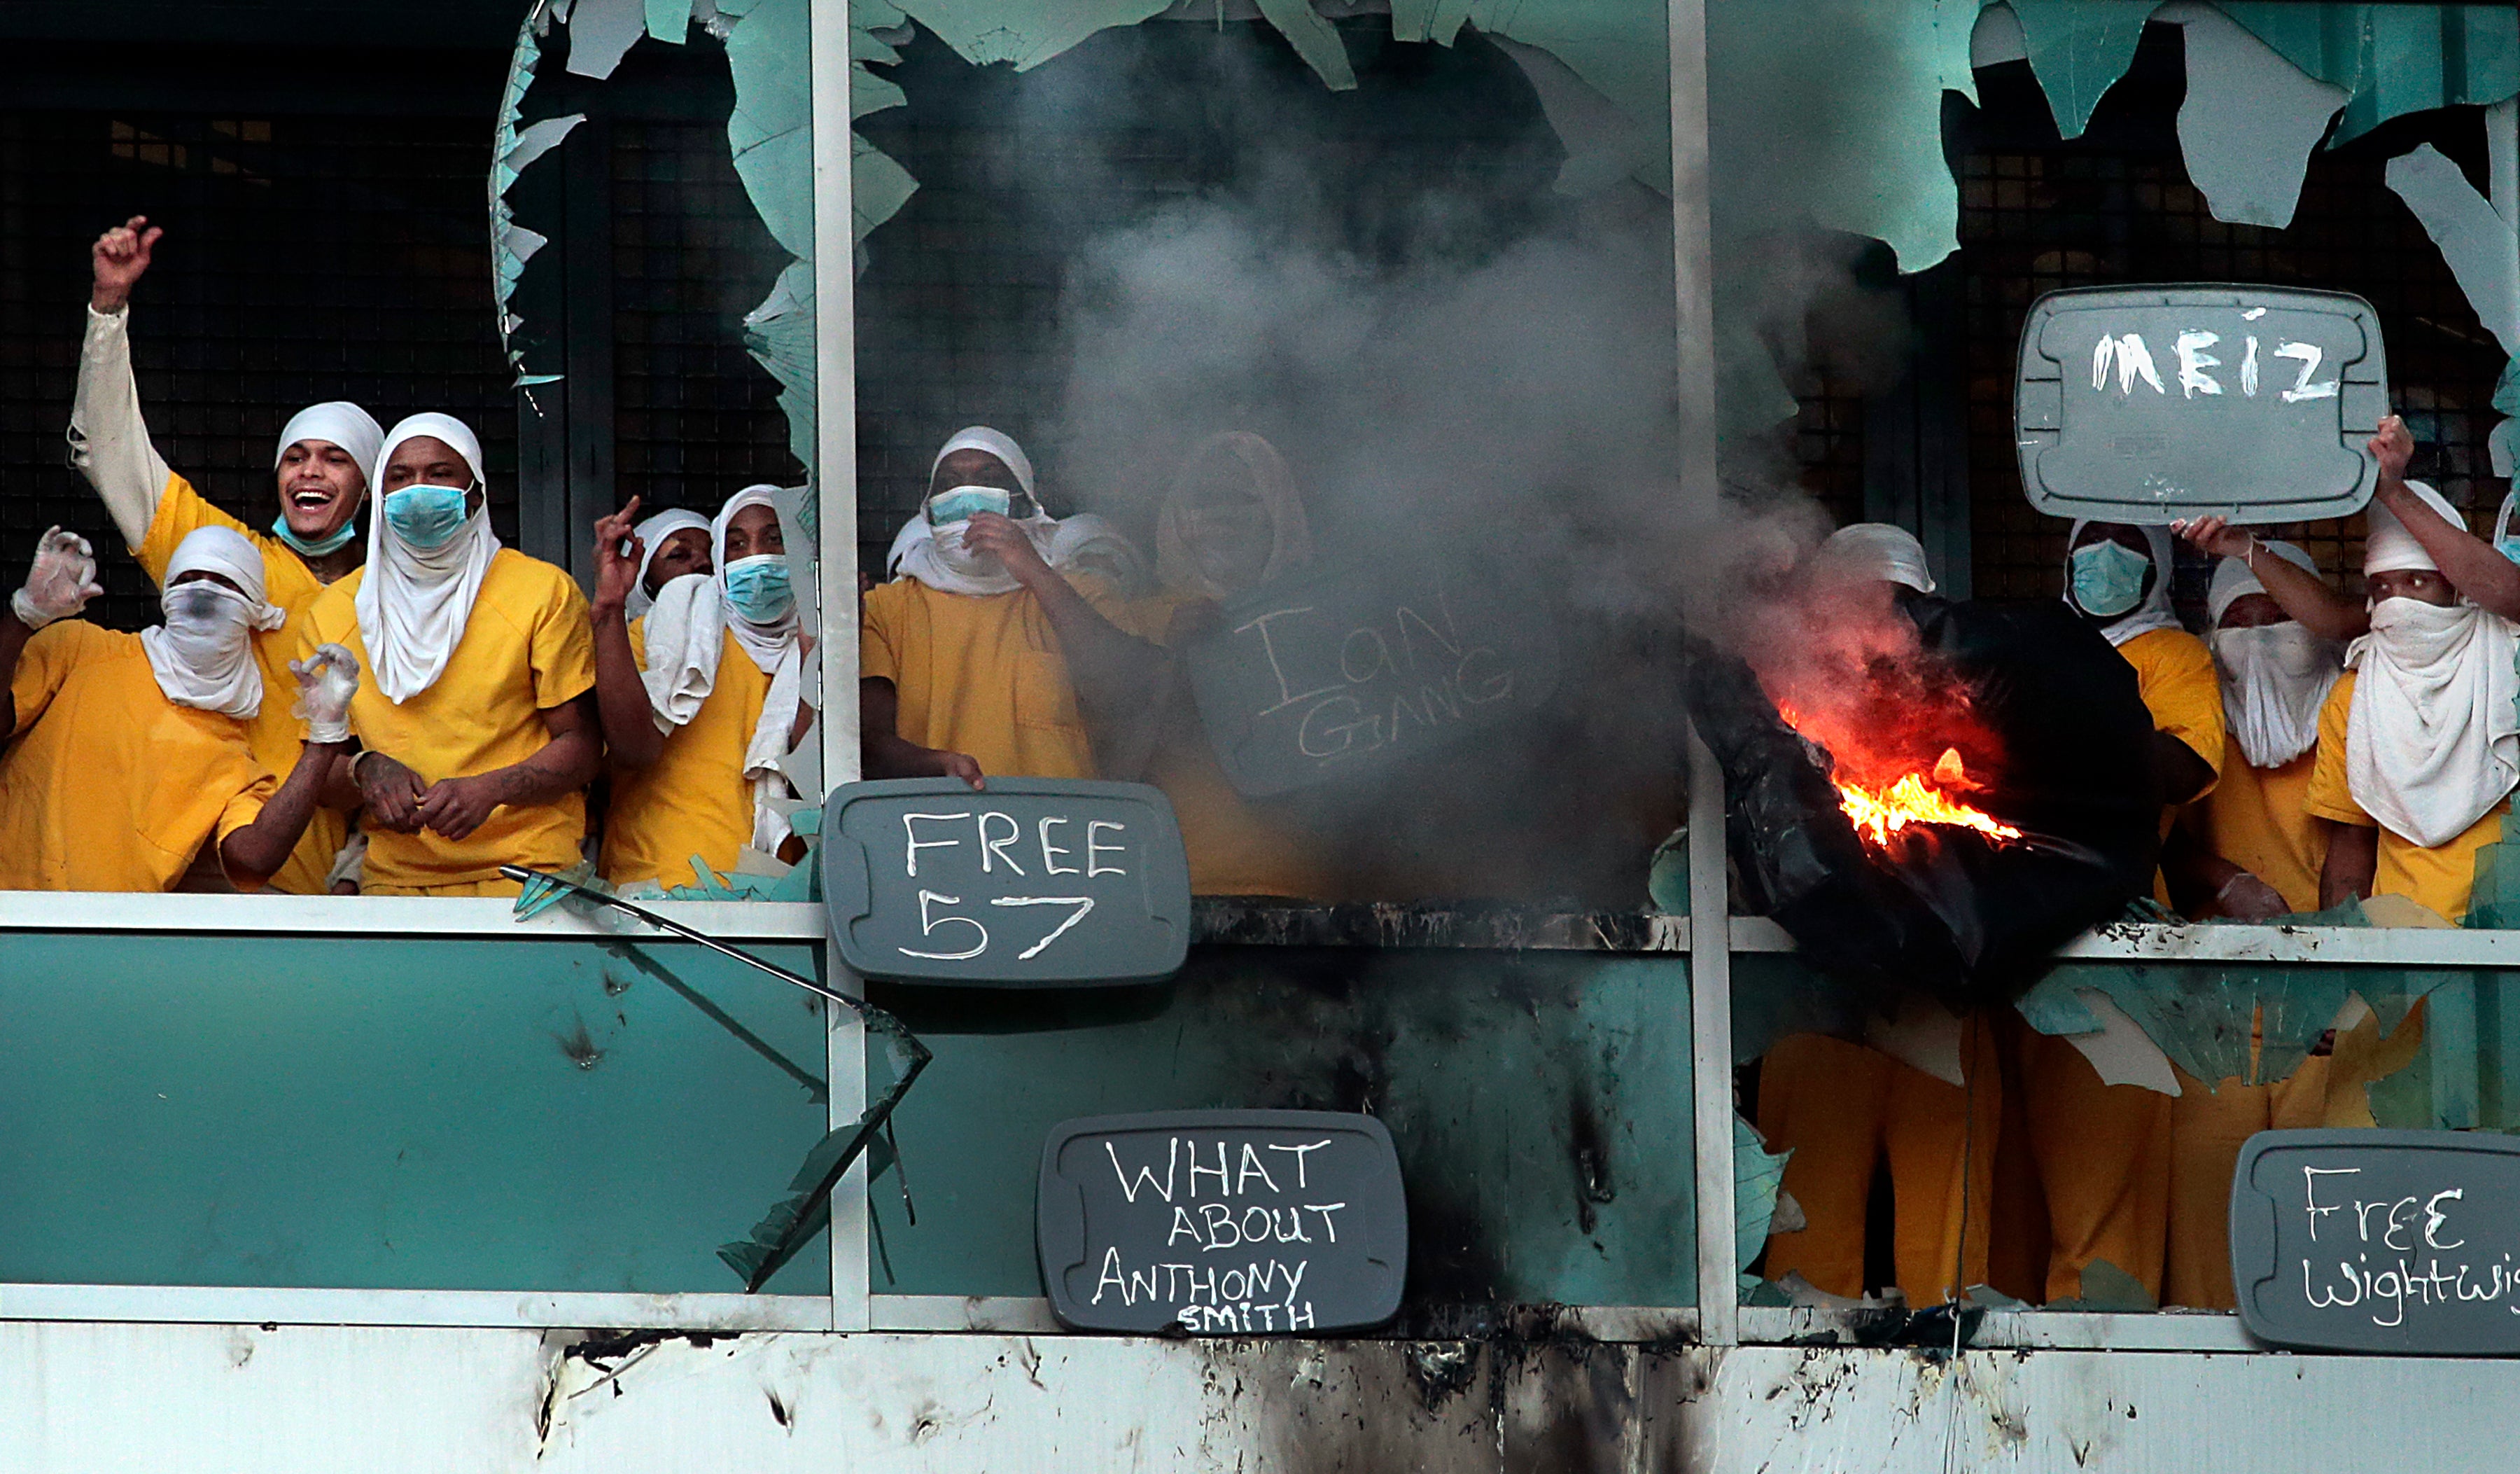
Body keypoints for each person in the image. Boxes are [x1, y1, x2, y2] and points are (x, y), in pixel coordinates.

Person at [70, 214, 375, 895]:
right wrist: (109, 309)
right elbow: (112, 452)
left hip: (361, 894)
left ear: (368, 485)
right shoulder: (229, 556)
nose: (309, 473)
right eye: (295, 457)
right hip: (219, 880)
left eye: (335, 459)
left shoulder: (396, 594)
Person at [1751, 524, 2003, 1305]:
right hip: (1813, 1000)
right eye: (1857, 601)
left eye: (1896, 603)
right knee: (1808, 1242)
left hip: (1942, 1005)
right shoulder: (1772, 701)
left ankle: (1970, 1402)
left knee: (1950, 1249)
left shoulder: (1970, 703)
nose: (1878, 622)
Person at [301, 415, 601, 896]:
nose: (418, 490)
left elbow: (583, 748)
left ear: (475, 494)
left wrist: (491, 790)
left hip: (531, 877)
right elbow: (320, 772)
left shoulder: (542, 592)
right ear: (378, 497)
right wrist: (366, 769)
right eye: (399, 478)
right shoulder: (334, 613)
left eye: (439, 474)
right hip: (397, 885)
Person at [0, 525, 359, 891]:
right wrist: (23, 616)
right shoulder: (80, 649)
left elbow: (254, 858)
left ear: (254, 608)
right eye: (187, 579)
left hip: (106, 939)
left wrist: (324, 739)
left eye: (224, 583)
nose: (202, 593)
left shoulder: (234, 762)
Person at [860, 426, 1147, 788]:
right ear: (929, 509)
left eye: (989, 480)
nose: (966, 494)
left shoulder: (1083, 593)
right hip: (930, 831)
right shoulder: (887, 609)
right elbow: (866, 744)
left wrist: (1032, 569)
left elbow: (1132, 694)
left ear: (1024, 500)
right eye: (949, 483)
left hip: (1060, 832)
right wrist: (937, 765)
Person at [1110, 432, 1328, 898]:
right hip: (1181, 887)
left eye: (1243, 498)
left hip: (1312, 886)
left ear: (1278, 512)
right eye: (1205, 499)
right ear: (1177, 516)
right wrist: (1172, 657)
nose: (1221, 516)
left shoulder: (1325, 615)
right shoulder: (1140, 620)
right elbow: (1113, 760)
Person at [2304, 472, 2519, 923]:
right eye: (2382, 587)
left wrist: (2391, 487)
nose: (2398, 601)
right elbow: (2351, 843)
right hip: (2403, 950)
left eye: (2418, 582)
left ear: (2457, 587)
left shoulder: (2508, 667)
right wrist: (2347, 952)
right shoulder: (2354, 693)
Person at [592, 487, 814, 891]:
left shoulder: (808, 646)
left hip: (781, 897)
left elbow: (819, 773)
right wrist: (608, 607)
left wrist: (817, 653)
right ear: (720, 563)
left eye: (775, 539)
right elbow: (634, 748)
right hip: (661, 886)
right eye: (737, 544)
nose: (756, 557)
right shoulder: (655, 637)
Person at [2162, 542, 2346, 918]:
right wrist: (2226, 880)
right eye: (2239, 623)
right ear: (2213, 638)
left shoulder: (2352, 703)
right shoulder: (2198, 714)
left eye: (2281, 618)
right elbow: (2157, 835)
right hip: (2216, 942)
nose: (2260, 639)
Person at [620, 506, 713, 620]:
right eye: (678, 555)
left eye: (713, 554)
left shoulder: (737, 634)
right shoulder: (617, 637)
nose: (705, 562)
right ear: (643, 577)